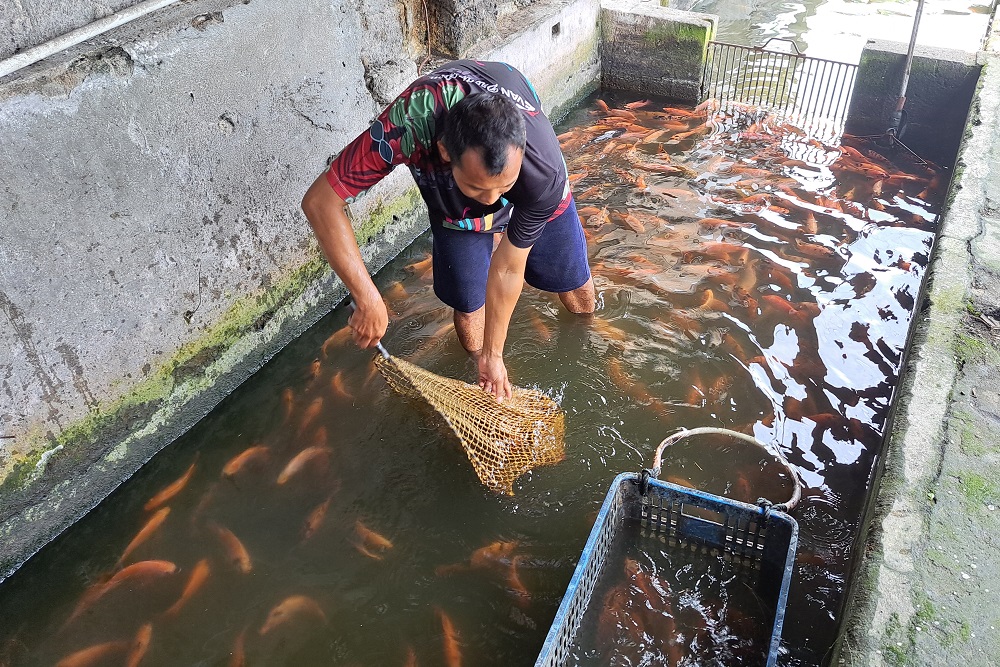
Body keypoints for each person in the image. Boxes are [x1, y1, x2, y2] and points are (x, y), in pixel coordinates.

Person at [301, 59, 594, 401]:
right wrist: (367, 296)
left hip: (529, 182)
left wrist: (495, 352)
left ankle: (584, 334)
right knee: (469, 305)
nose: (493, 202)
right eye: (478, 188)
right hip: (454, 205)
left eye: (503, 189)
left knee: (573, 281)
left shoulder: (542, 171)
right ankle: (482, 378)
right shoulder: (407, 127)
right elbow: (321, 202)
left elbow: (508, 267)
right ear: (444, 152)